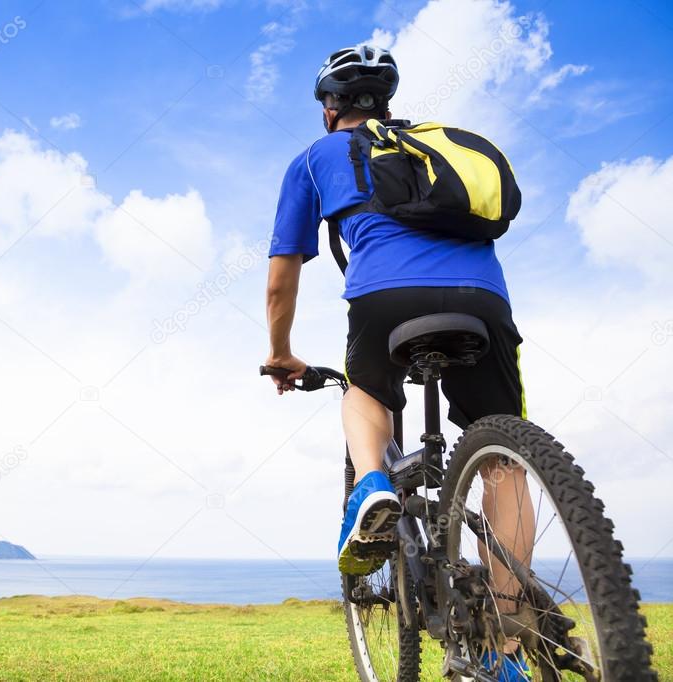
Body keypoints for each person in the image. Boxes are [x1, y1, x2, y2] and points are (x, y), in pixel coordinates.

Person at [263, 44, 533, 680]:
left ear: (330, 108)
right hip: (483, 302)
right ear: (384, 101)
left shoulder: (315, 158)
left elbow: (281, 280)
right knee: (504, 461)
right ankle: (506, 646)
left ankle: (373, 484)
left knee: (366, 390)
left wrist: (279, 354)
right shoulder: (434, 147)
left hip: (384, 299)